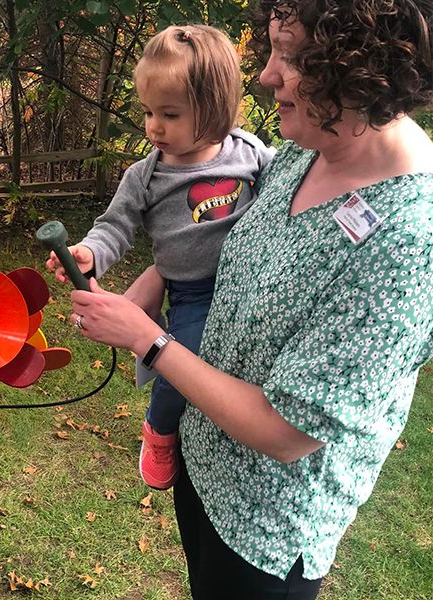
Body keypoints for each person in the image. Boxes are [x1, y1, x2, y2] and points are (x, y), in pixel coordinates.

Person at [66, 1, 433, 598]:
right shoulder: (301, 153)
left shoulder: (409, 240)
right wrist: (155, 281)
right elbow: (215, 243)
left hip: (267, 532)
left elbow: (288, 431)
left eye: (290, 57)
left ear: (359, 70)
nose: (264, 76)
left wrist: (146, 339)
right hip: (206, 465)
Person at [46, 24, 274, 490]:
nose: (153, 127)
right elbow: (115, 226)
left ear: (211, 108)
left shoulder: (250, 154)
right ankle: (160, 429)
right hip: (193, 293)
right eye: (149, 112)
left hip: (251, 283)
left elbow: (283, 201)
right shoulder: (145, 176)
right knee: (182, 362)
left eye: (169, 114)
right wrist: (91, 252)